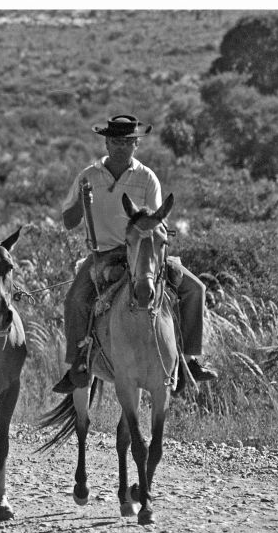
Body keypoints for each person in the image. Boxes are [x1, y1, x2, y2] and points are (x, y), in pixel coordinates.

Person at [54, 115, 217, 393]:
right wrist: (82, 203)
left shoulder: (146, 178)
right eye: (116, 141)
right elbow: (68, 221)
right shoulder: (88, 176)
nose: (121, 147)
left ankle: (189, 360)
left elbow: (155, 221)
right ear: (106, 142)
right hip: (103, 253)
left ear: (136, 145)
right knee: (75, 299)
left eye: (128, 142)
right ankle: (78, 364)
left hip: (142, 251)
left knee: (195, 289)